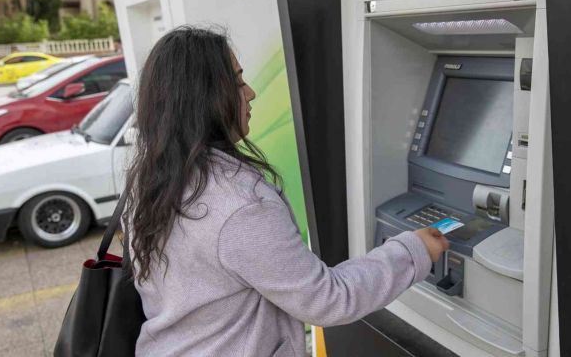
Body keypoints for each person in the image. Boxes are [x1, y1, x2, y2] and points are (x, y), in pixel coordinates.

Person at [124, 25, 450, 357]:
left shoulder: (150, 179)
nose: (250, 92)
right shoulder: (239, 206)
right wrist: (413, 250)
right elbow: (328, 299)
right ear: (204, 97)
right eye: (237, 82)